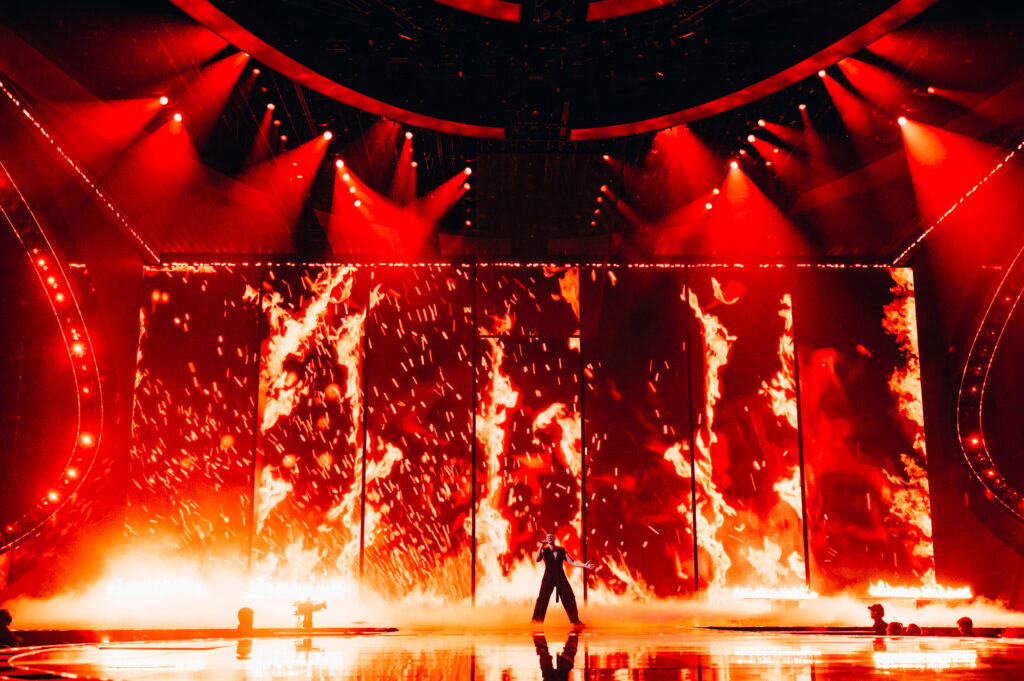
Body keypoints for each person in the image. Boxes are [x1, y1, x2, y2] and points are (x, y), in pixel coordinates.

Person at [531, 532, 595, 626]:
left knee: (569, 597)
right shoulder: (545, 550)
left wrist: (584, 565)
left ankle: (575, 620)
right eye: (548, 537)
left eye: (551, 537)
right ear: (546, 539)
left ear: (555, 538)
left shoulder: (561, 550)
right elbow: (537, 559)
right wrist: (541, 546)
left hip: (560, 577)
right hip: (548, 577)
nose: (549, 538)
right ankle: (536, 620)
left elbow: (572, 562)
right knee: (542, 598)